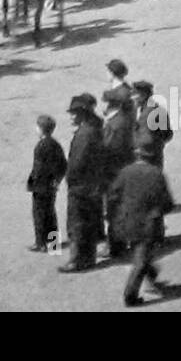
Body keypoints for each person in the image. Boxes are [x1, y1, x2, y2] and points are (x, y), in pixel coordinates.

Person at [108, 145, 174, 306]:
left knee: (142, 254)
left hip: (127, 221)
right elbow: (167, 203)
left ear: (137, 156)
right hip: (148, 224)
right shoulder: (157, 174)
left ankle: (151, 274)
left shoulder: (125, 172)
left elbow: (112, 196)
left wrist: (113, 216)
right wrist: (159, 213)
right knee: (141, 259)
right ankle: (130, 296)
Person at [61, 93, 105, 273]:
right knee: (89, 221)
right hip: (93, 184)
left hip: (81, 186)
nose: (71, 116)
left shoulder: (84, 134)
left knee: (77, 222)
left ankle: (77, 260)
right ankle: (89, 257)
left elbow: (77, 163)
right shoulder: (95, 128)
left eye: (74, 113)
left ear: (83, 113)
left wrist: (69, 179)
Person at [100, 86, 136, 258]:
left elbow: (109, 150)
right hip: (122, 170)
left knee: (113, 210)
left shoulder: (115, 125)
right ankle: (120, 242)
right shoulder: (123, 120)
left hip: (114, 173)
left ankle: (115, 246)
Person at [26, 114, 67, 252]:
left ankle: (40, 242)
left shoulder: (41, 146)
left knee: (39, 215)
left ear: (41, 129)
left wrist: (33, 182)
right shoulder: (55, 145)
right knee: (50, 214)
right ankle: (53, 243)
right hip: (51, 186)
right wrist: (57, 180)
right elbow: (63, 165)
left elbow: (38, 168)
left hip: (41, 186)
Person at [132, 80, 173, 170]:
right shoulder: (138, 109)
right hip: (146, 153)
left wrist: (153, 143)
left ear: (144, 95)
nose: (133, 98)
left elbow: (166, 134)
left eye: (136, 95)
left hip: (150, 155)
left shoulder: (156, 111)